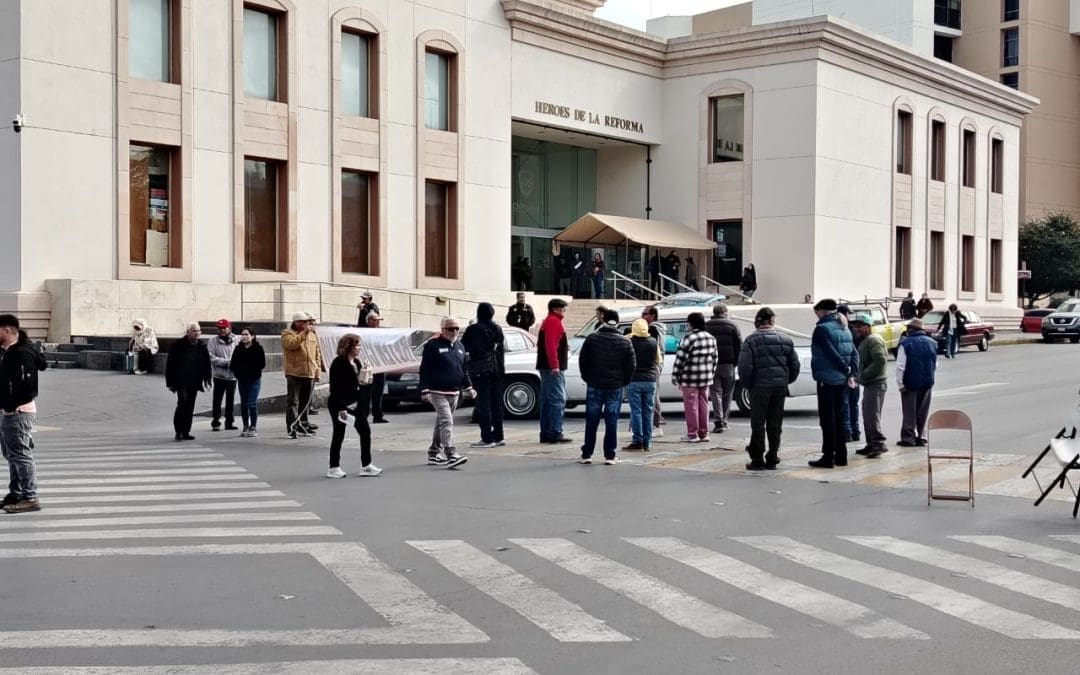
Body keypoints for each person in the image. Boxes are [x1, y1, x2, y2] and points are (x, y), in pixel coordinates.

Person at [737, 307, 800, 470]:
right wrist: (785, 380)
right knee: (775, 423)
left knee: (758, 423)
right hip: (779, 387)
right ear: (772, 321)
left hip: (759, 387)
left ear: (757, 322)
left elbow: (744, 367)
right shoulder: (785, 339)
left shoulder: (750, 341)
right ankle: (772, 456)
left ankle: (757, 459)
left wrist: (748, 385)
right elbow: (794, 365)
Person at [0, 314, 47, 513]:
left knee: (20, 454)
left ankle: (30, 496)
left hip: (19, 411)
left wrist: (10, 407)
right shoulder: (8, 351)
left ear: (6, 330)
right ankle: (16, 493)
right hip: (9, 411)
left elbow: (26, 388)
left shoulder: (22, 353)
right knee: (12, 454)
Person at [577, 309, 636, 465]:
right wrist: (624, 381)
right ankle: (610, 455)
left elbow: (583, 361)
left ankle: (587, 454)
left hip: (594, 384)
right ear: (617, 322)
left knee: (591, 419)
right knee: (611, 420)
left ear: (603, 320)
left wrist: (588, 378)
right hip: (615, 385)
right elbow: (631, 365)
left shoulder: (592, 339)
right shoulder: (625, 341)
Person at [808, 299, 859, 469]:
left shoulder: (821, 329)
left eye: (817, 312)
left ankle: (828, 456)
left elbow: (831, 353)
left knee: (827, 418)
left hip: (827, 379)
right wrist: (851, 373)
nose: (816, 315)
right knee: (840, 416)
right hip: (842, 381)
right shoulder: (844, 327)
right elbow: (854, 353)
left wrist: (845, 369)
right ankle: (841, 455)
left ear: (822, 311)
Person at [419, 317, 473, 468]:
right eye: (450, 329)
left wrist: (469, 387)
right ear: (442, 329)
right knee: (447, 421)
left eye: (457, 328)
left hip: (454, 392)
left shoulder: (460, 346)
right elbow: (425, 369)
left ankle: (434, 452)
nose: (454, 331)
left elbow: (464, 369)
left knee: (441, 423)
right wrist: (424, 390)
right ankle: (451, 453)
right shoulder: (432, 345)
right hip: (437, 391)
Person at [326, 333, 382, 478]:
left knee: (364, 430)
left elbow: (360, 385)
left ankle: (366, 465)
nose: (359, 348)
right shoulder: (339, 363)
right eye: (357, 345)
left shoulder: (357, 363)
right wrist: (341, 408)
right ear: (348, 347)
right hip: (340, 404)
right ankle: (333, 467)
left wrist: (367, 379)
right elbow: (336, 387)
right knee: (339, 433)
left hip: (355, 404)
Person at [462, 303, 506, 449]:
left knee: (483, 404)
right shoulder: (497, 328)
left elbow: (464, 347)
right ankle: (499, 435)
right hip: (497, 370)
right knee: (496, 404)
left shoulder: (473, 329)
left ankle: (487, 437)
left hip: (481, 370)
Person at [672, 312, 718, 443]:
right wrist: (711, 373)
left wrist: (676, 376)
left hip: (689, 377)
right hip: (706, 377)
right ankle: (704, 433)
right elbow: (715, 358)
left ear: (691, 323)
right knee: (704, 404)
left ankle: (693, 433)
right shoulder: (711, 338)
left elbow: (680, 359)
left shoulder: (688, 338)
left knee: (691, 405)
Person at [165, 322, 211, 442]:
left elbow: (206, 364)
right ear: (188, 332)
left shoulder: (201, 346)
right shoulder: (178, 345)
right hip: (180, 380)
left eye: (198, 331)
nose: (197, 333)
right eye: (194, 331)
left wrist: (207, 378)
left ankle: (186, 431)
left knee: (190, 405)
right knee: (183, 402)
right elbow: (170, 365)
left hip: (194, 380)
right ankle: (178, 431)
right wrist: (170, 382)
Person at [850, 314, 888, 458]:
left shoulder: (874, 340)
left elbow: (880, 361)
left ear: (868, 327)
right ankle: (871, 444)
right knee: (867, 415)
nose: (856, 329)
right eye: (855, 326)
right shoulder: (867, 340)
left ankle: (878, 444)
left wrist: (864, 375)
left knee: (872, 416)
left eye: (859, 326)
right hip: (871, 383)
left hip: (876, 383)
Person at [896, 318, 938, 447]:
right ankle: (922, 436)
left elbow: (900, 365)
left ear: (910, 330)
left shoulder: (906, 343)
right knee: (923, 411)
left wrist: (900, 384)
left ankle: (908, 438)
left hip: (910, 382)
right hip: (927, 381)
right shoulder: (932, 343)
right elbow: (935, 364)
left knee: (909, 411)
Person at [281, 312, 323, 438]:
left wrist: (317, 371)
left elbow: (317, 353)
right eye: (305, 322)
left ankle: (303, 424)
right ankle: (292, 427)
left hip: (309, 372)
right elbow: (292, 345)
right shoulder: (287, 334)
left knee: (305, 403)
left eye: (308, 322)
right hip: (294, 373)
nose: (308, 324)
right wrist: (304, 333)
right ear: (297, 322)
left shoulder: (312, 335)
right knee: (293, 402)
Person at [537, 298, 572, 444]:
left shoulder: (548, 321)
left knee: (546, 400)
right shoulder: (554, 321)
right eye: (563, 308)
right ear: (556, 309)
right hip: (552, 368)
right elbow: (551, 344)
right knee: (557, 399)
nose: (564, 311)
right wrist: (555, 365)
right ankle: (556, 431)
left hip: (546, 366)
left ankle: (546, 432)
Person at [624, 318, 660, 451]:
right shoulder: (653, 342)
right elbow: (658, 360)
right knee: (648, 412)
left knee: (636, 412)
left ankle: (637, 440)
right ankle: (647, 442)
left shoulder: (629, 342)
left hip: (634, 380)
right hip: (650, 380)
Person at [705, 303, 741, 434]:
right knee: (727, 393)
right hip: (728, 365)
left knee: (715, 393)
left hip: (711, 364)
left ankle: (718, 420)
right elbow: (739, 346)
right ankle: (724, 421)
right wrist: (736, 362)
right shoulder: (732, 325)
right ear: (725, 312)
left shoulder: (707, 326)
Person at [230, 326, 266, 438]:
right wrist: (238, 374)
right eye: (243, 334)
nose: (244, 337)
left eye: (247, 334)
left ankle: (253, 427)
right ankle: (245, 425)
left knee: (252, 404)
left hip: (254, 379)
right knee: (244, 404)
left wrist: (253, 370)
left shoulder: (258, 348)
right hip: (242, 380)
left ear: (252, 336)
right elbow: (233, 364)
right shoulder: (238, 348)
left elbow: (262, 364)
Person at [207, 318, 238, 432]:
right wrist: (225, 362)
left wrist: (234, 363)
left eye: (224, 328)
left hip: (232, 376)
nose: (221, 330)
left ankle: (229, 422)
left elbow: (239, 354)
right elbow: (210, 357)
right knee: (217, 401)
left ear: (229, 328)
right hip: (219, 376)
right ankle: (216, 422)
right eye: (219, 328)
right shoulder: (213, 341)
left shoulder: (236, 340)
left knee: (230, 401)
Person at [836, 305, 860, 443]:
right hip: (853, 371)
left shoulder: (845, 329)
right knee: (852, 403)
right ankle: (854, 431)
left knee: (846, 403)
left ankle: (849, 432)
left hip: (847, 372)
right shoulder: (851, 329)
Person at [642, 304, 667, 436]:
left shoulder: (654, 330)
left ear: (653, 316)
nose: (643, 316)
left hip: (653, 366)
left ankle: (656, 425)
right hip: (656, 365)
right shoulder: (659, 329)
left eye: (645, 313)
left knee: (653, 395)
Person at [365, 312, 389, 424]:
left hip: (380, 366)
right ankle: (363, 415)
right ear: (369, 321)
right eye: (375, 320)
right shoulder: (363, 333)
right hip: (368, 367)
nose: (378, 322)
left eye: (378, 320)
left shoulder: (382, 333)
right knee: (366, 392)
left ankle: (377, 415)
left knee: (378, 393)